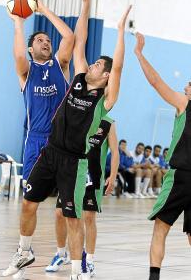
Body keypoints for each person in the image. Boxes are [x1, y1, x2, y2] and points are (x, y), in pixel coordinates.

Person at [3, 0, 131, 279]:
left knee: (71, 217)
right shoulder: (78, 78)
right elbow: (80, 41)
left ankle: (75, 270)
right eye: (94, 62)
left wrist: (121, 32)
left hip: (74, 161)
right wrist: (85, 7)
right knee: (28, 203)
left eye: (99, 64)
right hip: (47, 149)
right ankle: (25, 251)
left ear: (107, 76)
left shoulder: (104, 99)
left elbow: (113, 64)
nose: (93, 64)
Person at [134, 32, 191, 280]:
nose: (184, 86)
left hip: (181, 176)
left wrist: (139, 53)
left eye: (188, 84)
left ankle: (154, 278)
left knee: (161, 228)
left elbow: (156, 82)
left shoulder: (185, 104)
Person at [7, 0, 74, 196]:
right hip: (36, 140)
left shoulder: (60, 65)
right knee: (30, 201)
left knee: (65, 206)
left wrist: (42, 8)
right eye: (39, 40)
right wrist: (18, 23)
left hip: (61, 140)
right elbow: (19, 57)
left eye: (48, 40)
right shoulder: (27, 71)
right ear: (31, 48)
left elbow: (69, 37)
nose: (45, 42)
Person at [46, 116, 119, 277]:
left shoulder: (108, 123)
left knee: (88, 217)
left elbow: (114, 151)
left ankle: (90, 260)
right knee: (59, 213)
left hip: (93, 177)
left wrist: (112, 176)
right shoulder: (80, 114)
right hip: (72, 174)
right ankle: (61, 254)